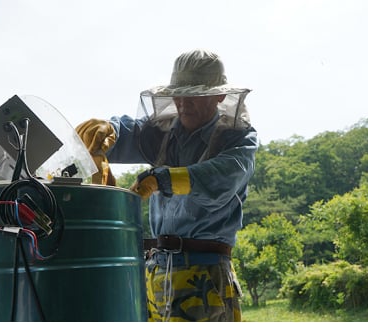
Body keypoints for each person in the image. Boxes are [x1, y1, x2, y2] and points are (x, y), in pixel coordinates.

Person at [76, 49, 258, 321]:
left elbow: (220, 178)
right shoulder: (162, 134)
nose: (183, 103)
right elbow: (129, 131)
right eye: (179, 93)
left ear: (219, 96)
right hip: (155, 273)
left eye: (193, 95)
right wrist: (106, 129)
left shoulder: (238, 138)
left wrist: (162, 179)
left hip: (204, 275)